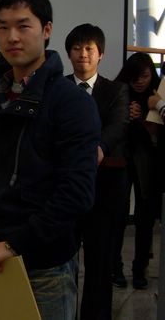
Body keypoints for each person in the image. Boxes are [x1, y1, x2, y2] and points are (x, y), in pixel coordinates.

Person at [0, 0, 100, 320]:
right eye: (3, 27)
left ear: (47, 30)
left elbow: (77, 193)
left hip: (43, 268)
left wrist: (17, 243)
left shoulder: (71, 103)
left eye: (23, 26)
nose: (12, 37)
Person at [64, 24, 129, 320]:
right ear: (69, 53)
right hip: (64, 190)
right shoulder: (58, 88)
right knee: (62, 263)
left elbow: (118, 125)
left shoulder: (116, 90)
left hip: (104, 190)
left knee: (100, 263)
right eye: (77, 48)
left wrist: (100, 148)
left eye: (89, 48)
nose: (83, 54)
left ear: (100, 54)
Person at [113, 52, 162, 289]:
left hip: (150, 164)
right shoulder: (117, 92)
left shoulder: (158, 95)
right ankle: (115, 268)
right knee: (117, 216)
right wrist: (125, 115)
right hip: (121, 161)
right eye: (135, 77)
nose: (140, 82)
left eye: (144, 76)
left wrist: (144, 118)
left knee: (145, 219)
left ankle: (140, 269)